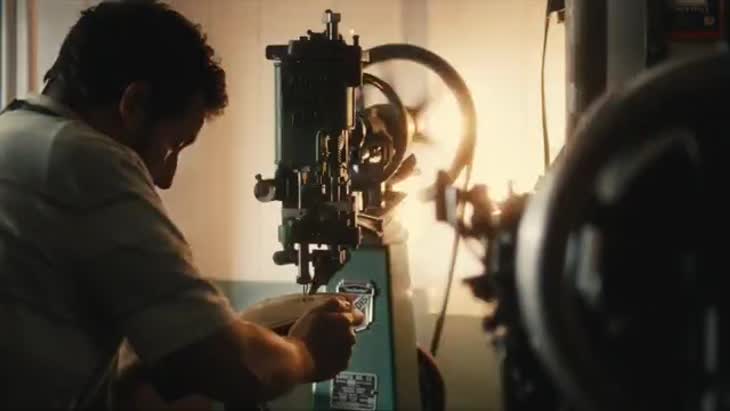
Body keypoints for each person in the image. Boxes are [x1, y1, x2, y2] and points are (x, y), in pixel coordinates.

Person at [0, 1, 363, 409]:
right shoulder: (84, 159)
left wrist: (217, 334)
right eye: (174, 145)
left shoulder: (14, 134)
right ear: (134, 103)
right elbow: (233, 370)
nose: (165, 178)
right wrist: (305, 353)